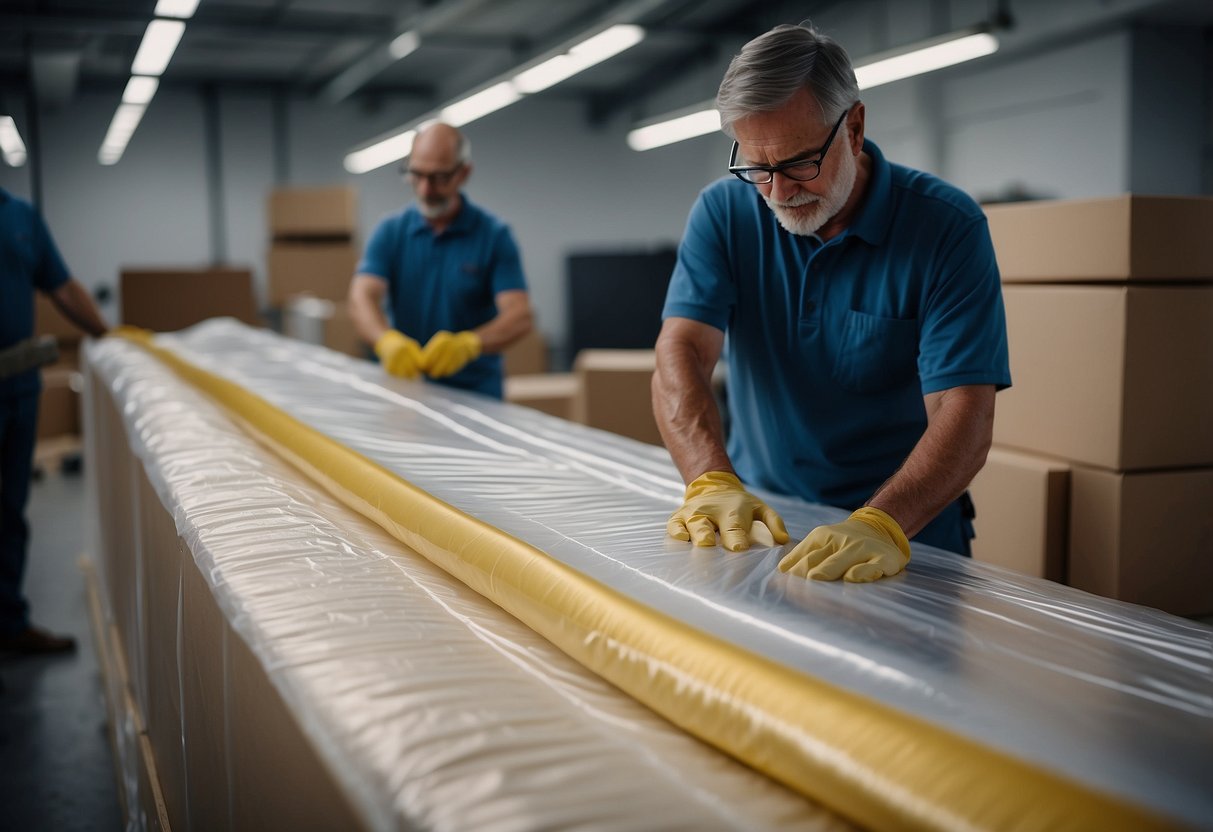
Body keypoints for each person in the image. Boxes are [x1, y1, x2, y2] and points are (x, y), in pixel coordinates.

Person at [653, 23, 1011, 583]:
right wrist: (710, 479)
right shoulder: (724, 212)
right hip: (761, 529)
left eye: (798, 163)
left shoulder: (946, 227)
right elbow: (682, 351)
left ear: (855, 128)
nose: (777, 191)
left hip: (907, 537)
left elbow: (965, 409)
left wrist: (882, 523)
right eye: (758, 167)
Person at [348, 122, 533, 399]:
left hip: (477, 395)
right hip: (408, 389)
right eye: (416, 175)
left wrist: (470, 344)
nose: (425, 189)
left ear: (464, 173)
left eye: (438, 178)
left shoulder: (494, 235)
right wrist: (385, 340)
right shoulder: (391, 232)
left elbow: (519, 315)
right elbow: (361, 297)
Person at [1, 187, 108, 654]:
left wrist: (108, 334)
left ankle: (8, 623)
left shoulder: (20, 216)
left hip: (18, 387)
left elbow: (61, 285)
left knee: (10, 511)